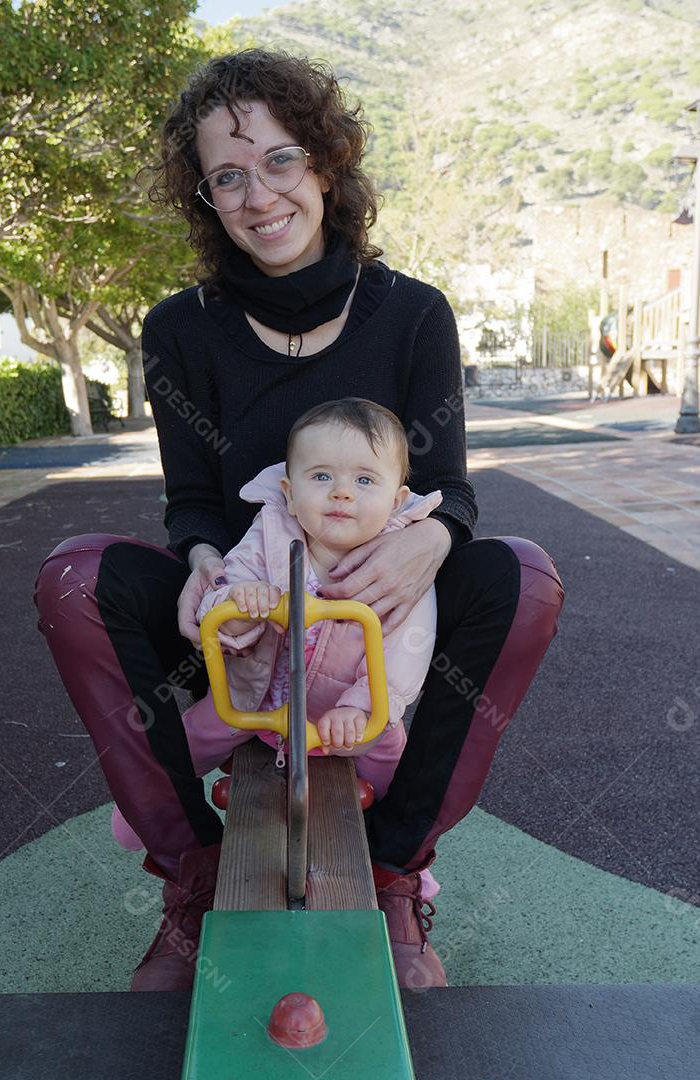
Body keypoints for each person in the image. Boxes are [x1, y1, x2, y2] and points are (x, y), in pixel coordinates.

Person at [33, 47, 565, 995]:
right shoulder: (180, 328)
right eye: (227, 175)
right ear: (206, 197)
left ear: (325, 163)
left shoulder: (411, 314)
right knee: (75, 576)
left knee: (520, 576)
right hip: (245, 606)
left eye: (281, 159)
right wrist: (203, 566)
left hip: (375, 613)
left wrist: (428, 543)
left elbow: (449, 487)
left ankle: (397, 870)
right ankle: (195, 876)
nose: (258, 194)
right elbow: (194, 501)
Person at [110, 398, 444, 908]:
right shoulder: (269, 535)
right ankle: (148, 814)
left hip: (347, 719)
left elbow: (407, 648)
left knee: (400, 775)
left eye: (365, 481)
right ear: (289, 491)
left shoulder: (397, 561)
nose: (341, 493)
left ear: (398, 499)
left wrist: (364, 708)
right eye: (322, 476)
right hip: (255, 702)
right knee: (184, 740)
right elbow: (221, 602)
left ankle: (402, 874)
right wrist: (241, 604)